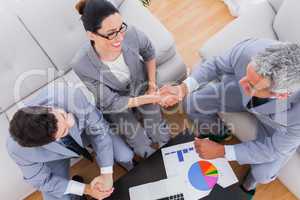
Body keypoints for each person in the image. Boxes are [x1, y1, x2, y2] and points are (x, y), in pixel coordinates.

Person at [160, 38, 300, 199]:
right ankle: (220, 132)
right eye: (247, 74)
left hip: (277, 127)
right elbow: (217, 65)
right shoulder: (250, 50)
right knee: (192, 104)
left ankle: (248, 185)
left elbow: (273, 149)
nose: (242, 81)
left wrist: (222, 151)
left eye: (252, 84)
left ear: (281, 95)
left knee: (262, 173)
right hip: (243, 97)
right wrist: (183, 88)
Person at [71, 0, 171, 158]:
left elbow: (149, 52)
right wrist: (151, 98)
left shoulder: (129, 33)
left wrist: (152, 86)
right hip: (116, 104)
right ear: (91, 35)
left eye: (120, 28)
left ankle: (168, 148)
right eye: (111, 33)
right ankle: (150, 157)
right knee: (137, 139)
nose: (120, 37)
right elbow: (112, 102)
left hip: (143, 86)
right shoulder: (81, 64)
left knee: (157, 126)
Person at [6, 85, 134, 200]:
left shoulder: (70, 96)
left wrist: (107, 174)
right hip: (55, 157)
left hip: (86, 133)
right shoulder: (17, 149)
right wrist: (86, 189)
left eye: (62, 115)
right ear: (49, 142)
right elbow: (42, 181)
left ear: (48, 109)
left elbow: (99, 130)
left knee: (125, 155)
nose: (70, 121)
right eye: (64, 130)